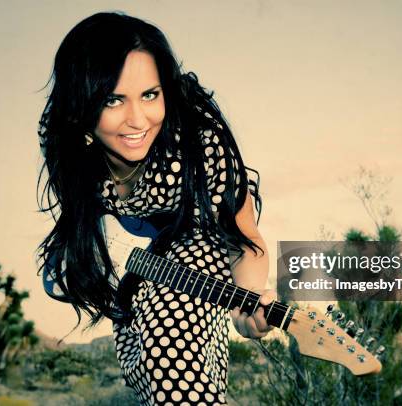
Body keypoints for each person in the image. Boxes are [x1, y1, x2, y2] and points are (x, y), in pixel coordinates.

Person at [36, 11, 274, 405]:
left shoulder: (202, 145)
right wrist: (96, 261)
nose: (137, 119)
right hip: (127, 278)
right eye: (113, 100)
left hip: (194, 256)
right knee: (151, 377)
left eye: (150, 94)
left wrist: (245, 301)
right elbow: (81, 214)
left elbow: (245, 239)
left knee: (171, 337)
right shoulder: (63, 140)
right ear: (81, 107)